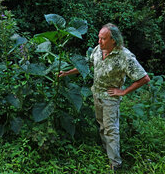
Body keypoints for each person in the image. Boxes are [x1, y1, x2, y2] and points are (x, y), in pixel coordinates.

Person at [59, 23, 150, 171]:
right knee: (102, 125)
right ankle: (107, 152)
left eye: (103, 39)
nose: (99, 42)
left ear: (113, 40)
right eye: (99, 38)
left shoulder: (125, 56)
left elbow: (144, 78)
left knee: (111, 129)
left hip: (110, 98)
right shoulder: (97, 50)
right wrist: (67, 73)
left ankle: (116, 164)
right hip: (97, 94)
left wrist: (124, 91)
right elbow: (87, 65)